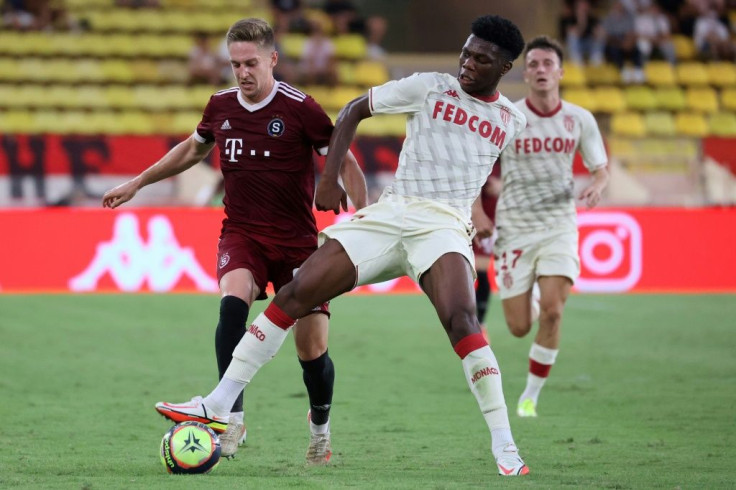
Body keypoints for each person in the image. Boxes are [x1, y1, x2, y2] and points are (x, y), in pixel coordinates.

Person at [154, 14, 531, 476]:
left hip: (443, 227)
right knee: (295, 294)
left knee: (463, 321)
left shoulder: (512, 120)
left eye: (482, 59)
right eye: (466, 52)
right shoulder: (430, 86)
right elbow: (354, 109)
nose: (468, 63)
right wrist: (330, 178)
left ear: (505, 66)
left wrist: (500, 223)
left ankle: (505, 445)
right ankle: (219, 404)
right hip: (392, 212)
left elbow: (498, 179)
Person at [101, 17, 368, 463]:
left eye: (251, 63)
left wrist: (362, 222)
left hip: (298, 243)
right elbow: (192, 149)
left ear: (272, 60)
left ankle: (319, 427)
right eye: (235, 64)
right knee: (232, 305)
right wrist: (138, 182)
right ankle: (231, 420)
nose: (242, 72)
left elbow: (347, 164)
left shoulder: (301, 108)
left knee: (312, 348)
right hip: (242, 234)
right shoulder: (221, 105)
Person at [493, 36, 608, 419]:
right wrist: (478, 215)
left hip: (559, 224)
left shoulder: (580, 119)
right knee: (518, 327)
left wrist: (597, 184)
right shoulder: (508, 117)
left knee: (554, 314)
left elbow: (600, 168)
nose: (541, 70)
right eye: (535, 64)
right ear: (525, 73)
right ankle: (538, 296)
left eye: (548, 64)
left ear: (560, 72)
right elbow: (479, 167)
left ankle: (530, 397)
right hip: (514, 228)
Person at [471, 170, 502, 342]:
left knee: (480, 271)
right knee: (463, 273)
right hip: (463, 217)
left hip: (486, 220)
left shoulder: (504, 152)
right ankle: (467, 321)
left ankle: (480, 323)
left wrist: (503, 185)